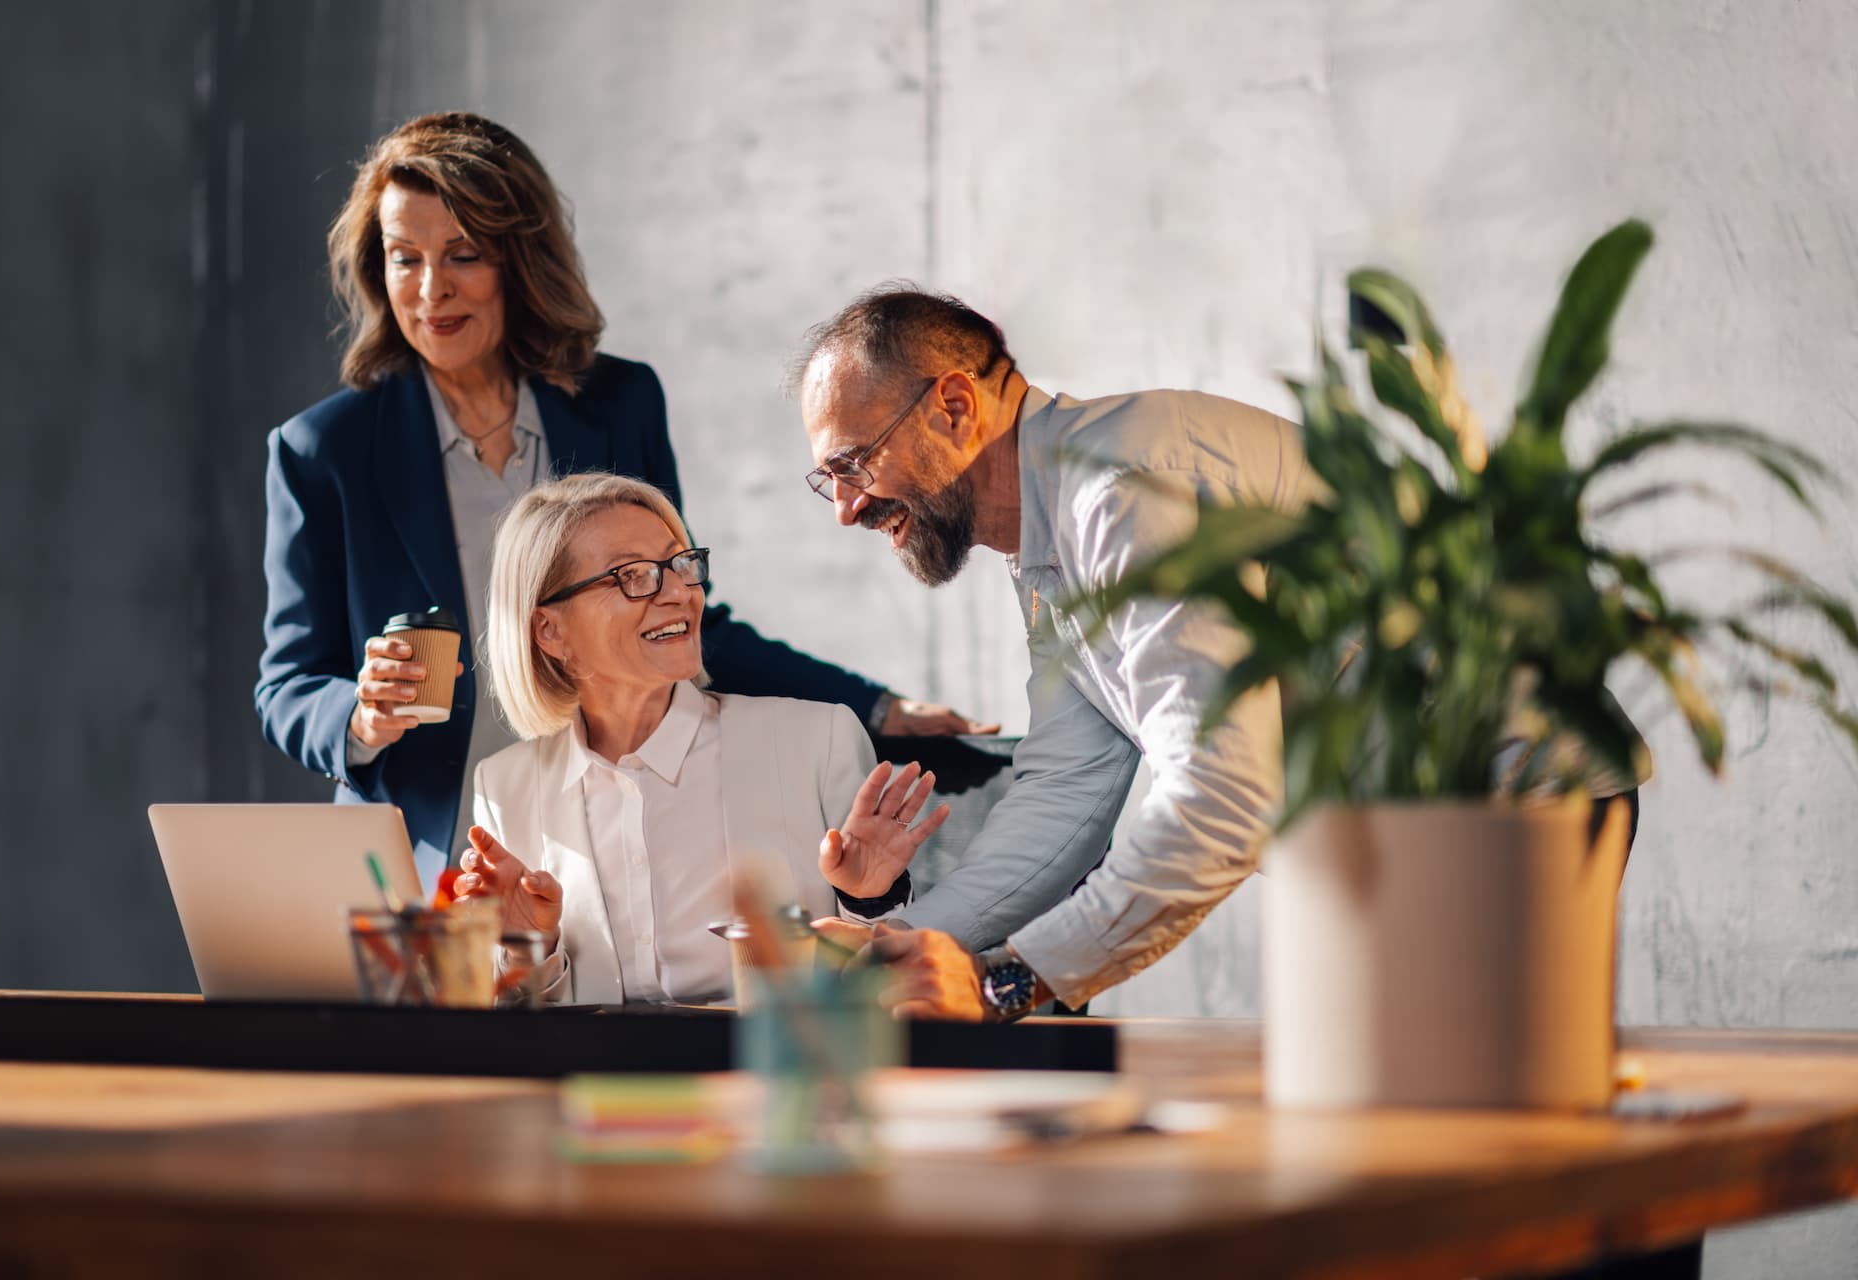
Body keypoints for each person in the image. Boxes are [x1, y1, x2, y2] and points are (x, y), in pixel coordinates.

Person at [255, 114, 989, 880]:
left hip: (621, 836)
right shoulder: (322, 451)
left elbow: (682, 613)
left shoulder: (619, 404)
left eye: (463, 254)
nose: (431, 289)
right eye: (405, 259)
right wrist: (363, 717)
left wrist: (877, 709)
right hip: (426, 861)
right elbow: (286, 688)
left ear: (519, 258)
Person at [793, 286, 1308, 1021]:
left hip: (1494, 843)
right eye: (830, 480)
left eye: (853, 463)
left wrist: (1005, 982)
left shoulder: (1122, 493)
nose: (846, 509)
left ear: (955, 408)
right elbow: (1068, 786)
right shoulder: (1055, 529)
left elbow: (1220, 794)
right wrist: (896, 945)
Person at [449, 473, 946, 1005]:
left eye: (680, 564)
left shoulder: (816, 742)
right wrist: (530, 946)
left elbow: (892, 985)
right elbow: (516, 1028)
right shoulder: (503, 787)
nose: (678, 593)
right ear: (550, 631)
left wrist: (869, 900)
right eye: (633, 576)